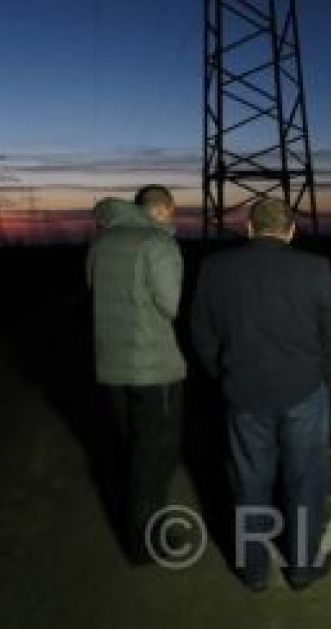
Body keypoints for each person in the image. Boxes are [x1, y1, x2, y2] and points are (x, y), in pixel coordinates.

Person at [191, 198, 331, 592]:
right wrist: (321, 378)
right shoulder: (314, 268)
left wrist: (224, 375)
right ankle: (302, 567)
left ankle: (254, 570)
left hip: (244, 392)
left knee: (248, 482)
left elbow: (201, 334)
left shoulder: (216, 269)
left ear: (249, 228)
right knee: (305, 481)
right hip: (303, 392)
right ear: (291, 230)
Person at [86, 185, 186, 564]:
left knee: (132, 448)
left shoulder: (101, 243)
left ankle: (141, 530)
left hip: (111, 366)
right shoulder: (157, 243)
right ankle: (146, 543)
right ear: (163, 209)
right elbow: (172, 306)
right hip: (153, 369)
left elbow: (94, 291)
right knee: (156, 456)